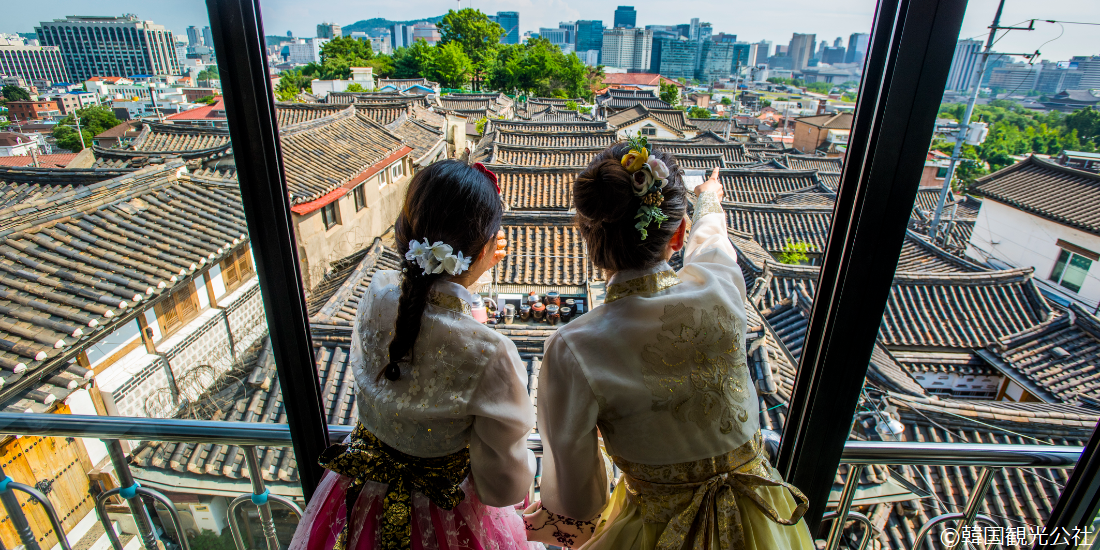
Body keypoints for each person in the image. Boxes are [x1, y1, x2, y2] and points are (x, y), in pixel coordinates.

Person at [526, 140, 814, 550]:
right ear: (677, 234)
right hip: (764, 516)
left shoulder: (575, 346)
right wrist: (709, 201)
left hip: (655, 530)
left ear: (589, 239)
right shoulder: (722, 289)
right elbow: (712, 246)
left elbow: (578, 501)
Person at [290, 161, 537, 550]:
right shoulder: (491, 353)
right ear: (487, 247)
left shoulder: (379, 293)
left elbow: (431, 311)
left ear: (405, 233)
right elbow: (504, 487)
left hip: (362, 498)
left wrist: (471, 269)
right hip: (446, 518)